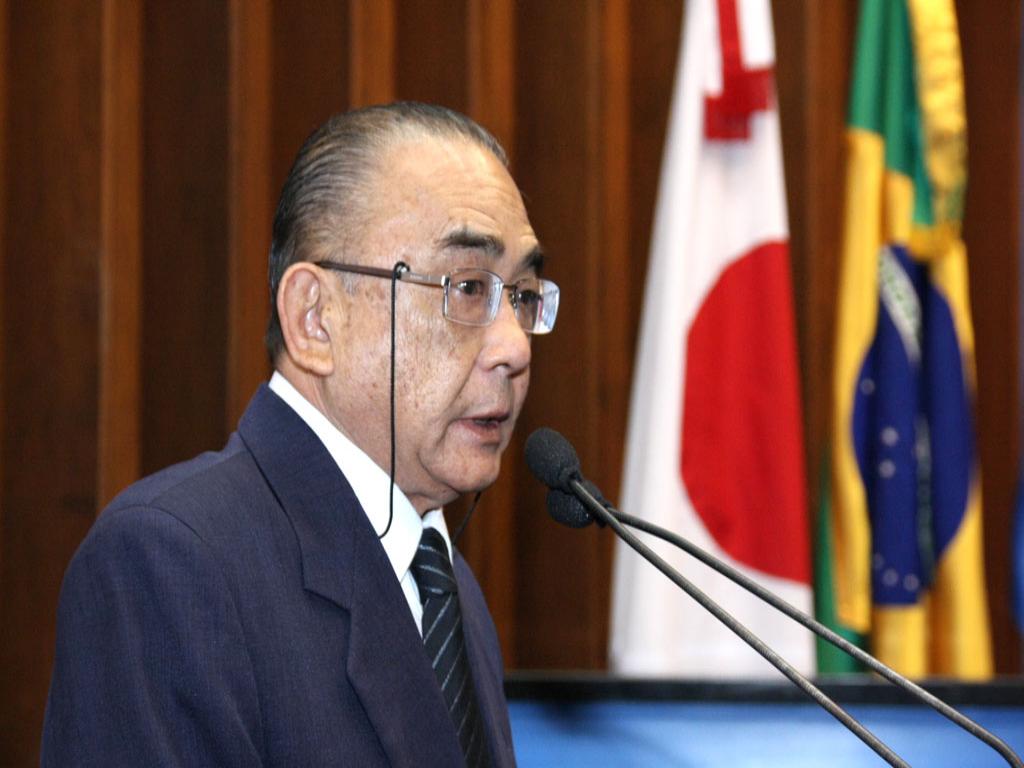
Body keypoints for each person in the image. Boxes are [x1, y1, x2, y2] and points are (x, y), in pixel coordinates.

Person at [41, 102, 558, 767]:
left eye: (522, 295)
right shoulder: (170, 564)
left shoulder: (444, 584)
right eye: (465, 287)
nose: (515, 346)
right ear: (316, 318)